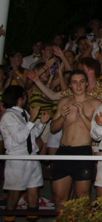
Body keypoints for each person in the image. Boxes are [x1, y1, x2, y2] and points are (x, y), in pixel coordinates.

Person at [50, 70, 102, 212]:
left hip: (83, 151)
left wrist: (83, 115)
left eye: (81, 81)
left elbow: (100, 132)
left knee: (83, 197)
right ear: (70, 85)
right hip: (64, 150)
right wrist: (61, 117)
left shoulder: (95, 103)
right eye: (74, 82)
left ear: (86, 83)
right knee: (59, 197)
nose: (78, 85)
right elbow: (53, 128)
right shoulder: (64, 101)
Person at [0, 85, 50, 222]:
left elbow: (31, 135)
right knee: (14, 194)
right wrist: (32, 119)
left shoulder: (24, 113)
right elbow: (19, 138)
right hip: (17, 158)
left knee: (34, 192)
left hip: (32, 157)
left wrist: (42, 123)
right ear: (19, 98)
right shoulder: (9, 116)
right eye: (25, 95)